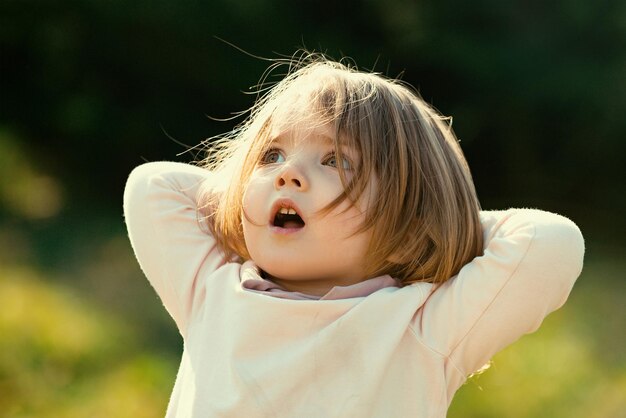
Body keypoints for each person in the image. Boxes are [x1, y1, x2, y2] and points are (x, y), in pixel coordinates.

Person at [123, 54, 585, 417]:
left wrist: (424, 220)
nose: (289, 175)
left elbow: (552, 246)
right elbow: (153, 185)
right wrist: (245, 197)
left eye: (336, 162)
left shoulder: (420, 328)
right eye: (271, 155)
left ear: (409, 217)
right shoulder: (211, 290)